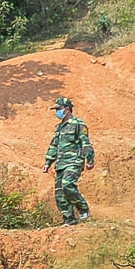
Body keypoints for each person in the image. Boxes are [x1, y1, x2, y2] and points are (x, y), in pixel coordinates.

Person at [43, 95, 95, 225]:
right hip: (61, 164)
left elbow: (85, 142)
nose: (57, 112)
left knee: (68, 185)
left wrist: (89, 159)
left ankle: (83, 208)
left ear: (67, 109)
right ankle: (70, 221)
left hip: (74, 161)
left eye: (58, 109)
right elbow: (54, 145)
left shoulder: (78, 124)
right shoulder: (59, 128)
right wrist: (48, 163)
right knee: (60, 196)